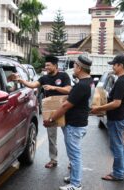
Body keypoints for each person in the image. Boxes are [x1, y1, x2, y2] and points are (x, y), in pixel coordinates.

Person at [44, 55, 94, 190]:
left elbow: (66, 106)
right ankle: (73, 178)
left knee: (75, 155)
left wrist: (51, 119)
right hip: (80, 123)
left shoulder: (81, 85)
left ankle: (76, 184)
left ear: (80, 68)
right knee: (74, 154)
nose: (74, 68)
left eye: (75, 65)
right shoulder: (90, 82)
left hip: (75, 125)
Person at [14, 56, 71, 168]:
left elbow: (68, 90)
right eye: (45, 66)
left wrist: (53, 88)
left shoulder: (64, 76)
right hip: (50, 109)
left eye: (48, 65)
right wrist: (22, 81)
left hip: (64, 108)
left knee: (69, 138)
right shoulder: (44, 78)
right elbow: (33, 85)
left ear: (55, 66)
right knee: (51, 136)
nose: (46, 67)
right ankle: (53, 160)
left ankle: (72, 161)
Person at [91, 54, 124, 181]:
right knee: (120, 146)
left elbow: (116, 103)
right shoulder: (121, 80)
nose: (113, 67)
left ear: (120, 65)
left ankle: (118, 173)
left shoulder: (122, 81)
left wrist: (99, 108)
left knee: (117, 147)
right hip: (119, 118)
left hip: (117, 119)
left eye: (114, 64)